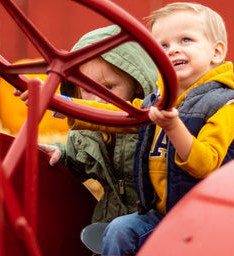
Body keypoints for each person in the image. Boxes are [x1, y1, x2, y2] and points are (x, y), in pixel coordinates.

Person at [99, 1, 234, 256]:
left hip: (210, 222)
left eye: (185, 40)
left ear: (216, 53)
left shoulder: (225, 105)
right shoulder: (156, 101)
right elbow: (117, 114)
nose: (172, 51)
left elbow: (205, 163)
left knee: (122, 231)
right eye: (162, 46)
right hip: (164, 216)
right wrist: (57, 103)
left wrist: (173, 126)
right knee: (120, 229)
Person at [37, 25, 159, 226]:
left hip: (153, 222)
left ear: (137, 85)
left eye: (109, 88)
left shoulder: (150, 125)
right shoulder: (86, 134)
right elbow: (76, 163)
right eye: (87, 90)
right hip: (110, 223)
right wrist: (60, 155)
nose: (97, 99)